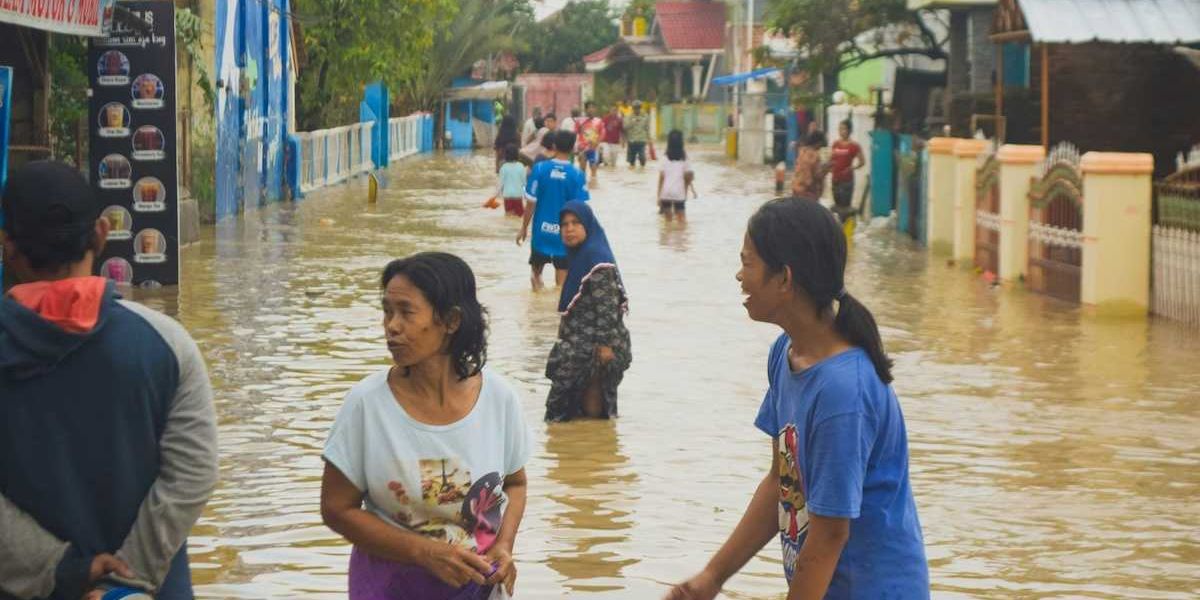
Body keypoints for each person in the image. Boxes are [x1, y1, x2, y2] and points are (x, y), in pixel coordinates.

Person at [666, 197, 927, 600]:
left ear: (784, 279)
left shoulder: (843, 392)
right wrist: (713, 577)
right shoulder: (786, 353)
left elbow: (829, 534)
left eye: (748, 263)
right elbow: (780, 482)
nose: (739, 276)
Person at [0, 161, 219, 600]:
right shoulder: (166, 345)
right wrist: (124, 583)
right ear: (101, 233)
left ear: (7, 247)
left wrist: (61, 570)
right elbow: (193, 475)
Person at [321, 253, 533, 600]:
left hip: (477, 590)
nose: (391, 325)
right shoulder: (367, 405)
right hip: (390, 587)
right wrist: (423, 552)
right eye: (387, 311)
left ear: (450, 321)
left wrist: (505, 545)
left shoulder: (499, 399)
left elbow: (516, 484)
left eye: (406, 311)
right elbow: (336, 508)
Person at [545, 202, 631, 422]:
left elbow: (608, 307)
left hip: (594, 349)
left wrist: (604, 347)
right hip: (578, 345)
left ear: (588, 226)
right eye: (564, 224)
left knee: (584, 405)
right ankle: (585, 448)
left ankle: (592, 448)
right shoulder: (581, 256)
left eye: (575, 223)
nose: (569, 229)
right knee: (575, 407)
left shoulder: (596, 260)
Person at [517, 130, 590, 291]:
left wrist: (523, 228)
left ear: (554, 145)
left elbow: (530, 203)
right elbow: (581, 210)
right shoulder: (577, 174)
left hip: (540, 233)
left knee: (535, 279)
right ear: (572, 149)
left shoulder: (540, 169)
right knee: (561, 288)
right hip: (565, 235)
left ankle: (535, 313)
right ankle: (554, 315)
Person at [830, 120, 864, 222]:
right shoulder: (835, 144)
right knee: (837, 207)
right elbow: (831, 159)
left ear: (849, 130)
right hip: (835, 179)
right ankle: (838, 232)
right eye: (840, 129)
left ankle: (846, 233)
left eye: (844, 129)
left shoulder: (854, 146)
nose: (841, 131)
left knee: (845, 209)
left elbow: (862, 162)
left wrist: (851, 168)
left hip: (847, 181)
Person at [657, 129, 694, 221]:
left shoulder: (664, 158)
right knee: (681, 223)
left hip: (666, 193)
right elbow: (689, 176)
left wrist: (659, 196)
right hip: (678, 192)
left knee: (667, 222)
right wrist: (686, 191)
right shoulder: (684, 158)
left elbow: (661, 178)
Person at [792, 130, 828, 201]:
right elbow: (817, 175)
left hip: (796, 188)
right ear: (818, 143)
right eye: (821, 146)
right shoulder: (814, 155)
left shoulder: (802, 151)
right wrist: (826, 169)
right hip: (808, 193)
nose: (820, 148)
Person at [575, 101, 605, 186]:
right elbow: (575, 133)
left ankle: (593, 184)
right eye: (589, 108)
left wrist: (597, 142)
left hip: (593, 148)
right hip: (582, 148)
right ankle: (582, 185)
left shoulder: (599, 121)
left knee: (593, 168)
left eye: (593, 107)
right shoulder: (580, 121)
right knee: (582, 169)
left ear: (595, 109)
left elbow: (602, 133)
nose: (591, 109)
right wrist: (576, 147)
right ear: (585, 109)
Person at [496, 144, 527, 217]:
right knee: (519, 216)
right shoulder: (521, 166)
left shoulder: (504, 167)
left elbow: (500, 184)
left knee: (509, 216)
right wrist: (526, 196)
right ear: (517, 154)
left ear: (506, 155)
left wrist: (495, 196)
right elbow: (524, 183)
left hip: (507, 196)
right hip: (518, 196)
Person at [624, 101, 651, 170]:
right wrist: (632, 122)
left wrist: (649, 139)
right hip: (631, 141)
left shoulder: (645, 116)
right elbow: (625, 127)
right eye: (635, 108)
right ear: (633, 108)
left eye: (638, 108)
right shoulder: (629, 116)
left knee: (642, 158)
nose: (637, 110)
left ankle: (642, 169)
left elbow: (647, 128)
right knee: (631, 162)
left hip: (641, 140)